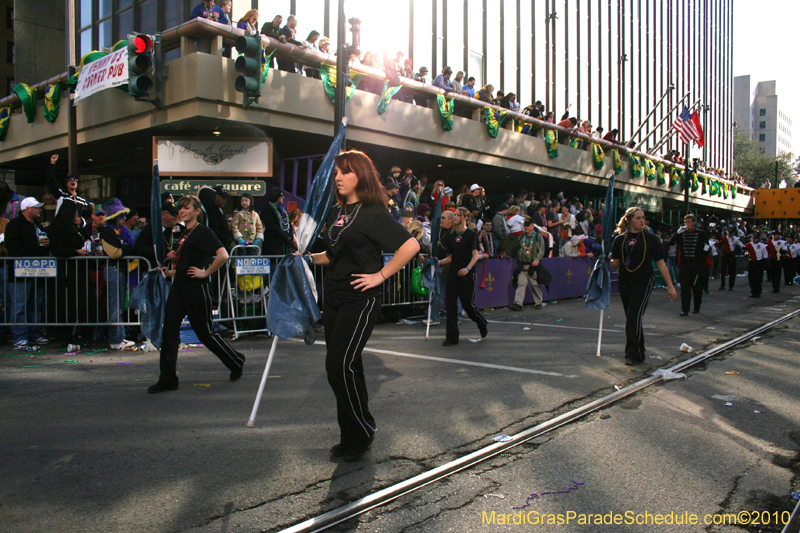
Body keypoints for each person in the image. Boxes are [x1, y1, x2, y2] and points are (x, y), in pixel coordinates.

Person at [300, 150, 419, 461]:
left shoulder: (373, 213)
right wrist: (305, 259)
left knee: (338, 366)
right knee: (349, 367)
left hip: (360, 300)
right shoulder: (336, 213)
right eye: (336, 172)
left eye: (345, 172)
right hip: (335, 297)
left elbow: (411, 245)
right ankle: (351, 434)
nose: (337, 177)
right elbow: (332, 256)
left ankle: (363, 432)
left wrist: (380, 275)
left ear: (361, 176)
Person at [148, 196, 246, 394]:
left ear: (197, 211)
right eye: (180, 208)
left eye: (186, 208)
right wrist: (172, 270)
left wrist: (206, 272)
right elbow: (187, 262)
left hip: (196, 288)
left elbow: (223, 255)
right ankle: (168, 379)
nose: (182, 211)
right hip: (179, 286)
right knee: (169, 332)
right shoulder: (185, 232)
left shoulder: (203, 231)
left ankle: (235, 361)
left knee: (205, 333)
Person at [610, 208, 676, 365]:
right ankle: (639, 350)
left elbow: (660, 263)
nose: (642, 221)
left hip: (644, 280)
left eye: (643, 218)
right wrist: (605, 259)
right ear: (629, 220)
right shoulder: (620, 239)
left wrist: (670, 286)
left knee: (634, 315)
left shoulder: (651, 239)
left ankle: (631, 354)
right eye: (638, 218)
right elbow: (616, 264)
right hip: (625, 280)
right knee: (633, 317)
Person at [438, 207, 489, 346]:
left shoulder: (471, 234)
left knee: (467, 305)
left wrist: (467, 268)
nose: (455, 217)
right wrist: (438, 262)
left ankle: (481, 322)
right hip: (453, 273)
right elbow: (451, 257)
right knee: (450, 306)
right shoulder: (452, 236)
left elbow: (475, 255)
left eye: (458, 215)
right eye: (454, 215)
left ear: (465, 218)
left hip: (467, 274)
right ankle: (452, 337)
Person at [5, 197, 51, 348]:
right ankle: (20, 336)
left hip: (36, 271)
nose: (39, 210)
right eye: (36, 207)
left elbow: (42, 243)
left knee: (35, 304)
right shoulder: (14, 225)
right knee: (20, 305)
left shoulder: (37, 225)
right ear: (27, 209)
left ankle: (34, 333)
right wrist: (32, 254)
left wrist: (45, 246)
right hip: (20, 272)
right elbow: (12, 246)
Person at [99, 199, 137, 350]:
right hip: (113, 270)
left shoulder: (121, 231)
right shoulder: (107, 232)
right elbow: (115, 253)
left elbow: (125, 249)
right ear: (114, 217)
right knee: (114, 307)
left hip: (120, 271)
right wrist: (127, 249)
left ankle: (119, 337)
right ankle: (115, 340)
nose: (124, 219)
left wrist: (125, 248)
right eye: (121, 216)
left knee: (119, 306)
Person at [669, 214, 709, 316]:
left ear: (694, 223)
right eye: (685, 222)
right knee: (685, 289)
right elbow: (670, 243)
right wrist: (677, 233)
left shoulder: (701, 234)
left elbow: (707, 246)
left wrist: (707, 249)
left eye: (689, 222)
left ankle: (696, 307)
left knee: (697, 288)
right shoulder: (681, 234)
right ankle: (685, 309)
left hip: (697, 265)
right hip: (684, 265)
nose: (687, 224)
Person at [509, 219, 546, 311]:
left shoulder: (538, 237)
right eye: (525, 225)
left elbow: (541, 251)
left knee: (535, 284)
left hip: (532, 265)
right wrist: (517, 263)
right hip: (522, 264)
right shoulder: (522, 237)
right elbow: (519, 250)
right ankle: (518, 303)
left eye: (528, 225)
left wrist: (537, 260)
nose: (526, 227)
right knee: (521, 283)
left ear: (532, 226)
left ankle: (538, 302)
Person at [261, 188, 294, 255]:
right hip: (273, 245)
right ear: (276, 196)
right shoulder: (267, 208)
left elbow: (287, 222)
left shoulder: (282, 209)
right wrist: (285, 237)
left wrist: (290, 236)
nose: (283, 197)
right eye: (281, 195)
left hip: (284, 245)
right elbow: (272, 226)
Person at [198, 185, 231, 251]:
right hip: (217, 246)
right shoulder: (210, 210)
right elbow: (214, 229)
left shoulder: (221, 209)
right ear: (215, 197)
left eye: (226, 198)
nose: (225, 200)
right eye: (222, 198)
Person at [745, 233, 767, 298]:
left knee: (758, 278)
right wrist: (746, 254)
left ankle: (758, 292)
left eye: (756, 238)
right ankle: (753, 291)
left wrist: (765, 263)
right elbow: (745, 251)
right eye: (754, 238)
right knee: (751, 278)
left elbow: (765, 254)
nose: (755, 239)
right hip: (751, 262)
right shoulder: (749, 245)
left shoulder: (762, 245)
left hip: (759, 262)